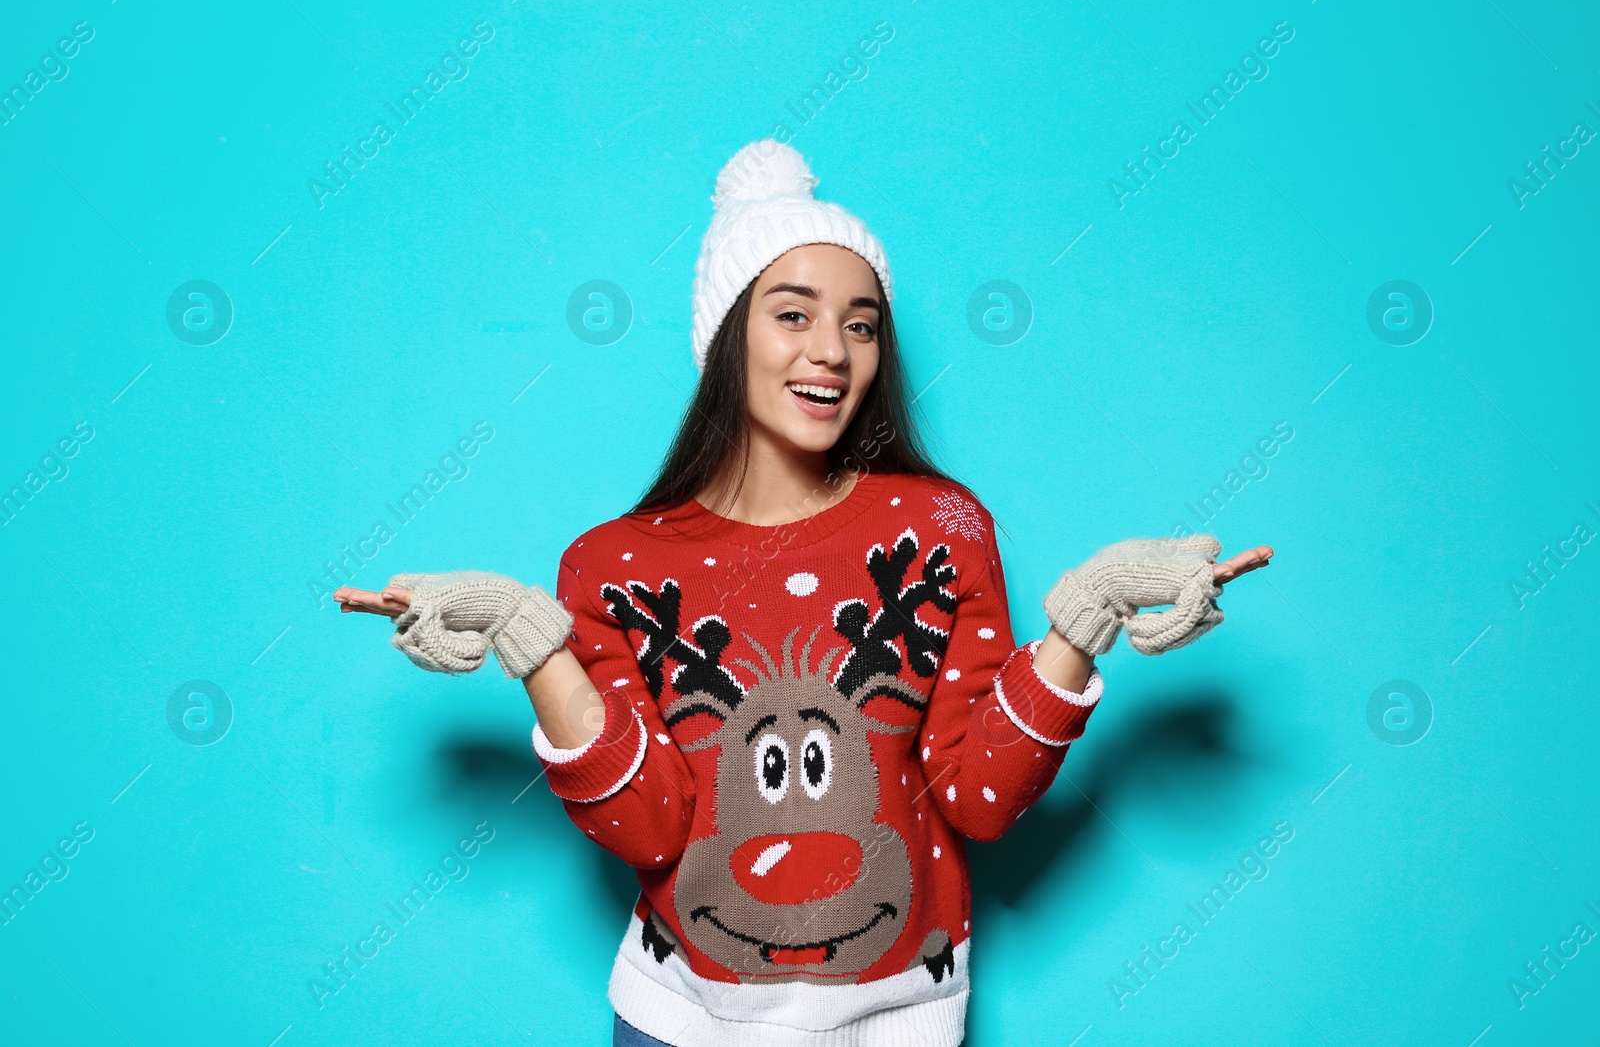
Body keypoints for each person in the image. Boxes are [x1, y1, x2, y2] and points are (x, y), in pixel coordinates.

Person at [335, 139, 1272, 1047]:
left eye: (860, 324)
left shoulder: (942, 529)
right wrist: (530, 640)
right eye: (793, 314)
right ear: (727, 330)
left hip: (898, 1018)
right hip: (680, 1023)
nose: (832, 351)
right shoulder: (612, 565)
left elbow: (978, 800)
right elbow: (653, 826)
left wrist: (1092, 612)